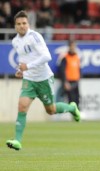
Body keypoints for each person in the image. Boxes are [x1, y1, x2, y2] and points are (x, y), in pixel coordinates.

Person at [6, 10, 81, 151]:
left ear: (28, 24)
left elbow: (47, 56)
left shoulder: (34, 37)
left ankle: (72, 108)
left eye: (24, 23)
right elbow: (23, 59)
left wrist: (27, 66)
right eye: (19, 24)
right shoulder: (15, 41)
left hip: (43, 79)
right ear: (15, 26)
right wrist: (21, 69)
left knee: (51, 110)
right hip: (29, 79)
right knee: (22, 107)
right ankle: (17, 140)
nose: (22, 26)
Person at [58, 39, 81, 108]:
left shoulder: (76, 57)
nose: (73, 47)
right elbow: (62, 71)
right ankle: (72, 114)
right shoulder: (65, 58)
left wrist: (79, 79)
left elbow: (79, 69)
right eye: (72, 46)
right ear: (69, 47)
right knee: (71, 100)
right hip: (69, 82)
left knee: (77, 99)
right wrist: (65, 82)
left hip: (76, 82)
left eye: (74, 46)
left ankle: (77, 114)